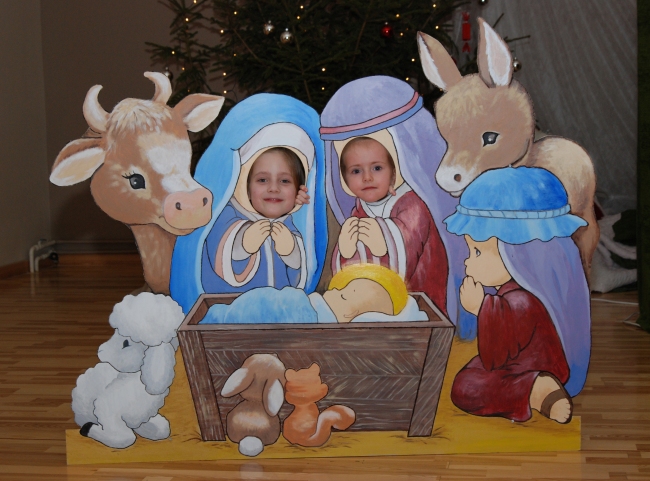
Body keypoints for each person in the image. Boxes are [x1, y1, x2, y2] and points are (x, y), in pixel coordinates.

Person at [444, 166, 591, 423]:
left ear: (515, 252)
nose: (468, 261)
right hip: (515, 365)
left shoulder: (522, 299)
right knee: (467, 380)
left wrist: (481, 308)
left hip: (534, 365)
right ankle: (533, 389)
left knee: (467, 389)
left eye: (477, 252)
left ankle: (536, 390)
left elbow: (497, 355)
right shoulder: (513, 294)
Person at [170, 94, 328, 314]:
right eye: (262, 180)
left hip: (278, 316)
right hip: (232, 316)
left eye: (285, 181)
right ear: (244, 182)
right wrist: (243, 244)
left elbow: (299, 274)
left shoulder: (289, 224)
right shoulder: (227, 214)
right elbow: (216, 253)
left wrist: (291, 250)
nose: (274, 188)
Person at [321, 78, 458, 318]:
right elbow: (353, 276)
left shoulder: (413, 204)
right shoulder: (360, 210)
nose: (367, 177)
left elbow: (407, 251)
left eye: (377, 168)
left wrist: (383, 238)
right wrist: (345, 249)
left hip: (420, 304)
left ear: (394, 170)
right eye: (356, 171)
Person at [200, 264, 426, 325]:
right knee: (261, 302)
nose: (334, 290)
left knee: (263, 308)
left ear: (347, 318)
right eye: (342, 288)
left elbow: (280, 308)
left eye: (343, 296)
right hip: (288, 301)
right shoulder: (313, 303)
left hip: (294, 309)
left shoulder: (312, 316)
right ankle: (223, 315)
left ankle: (222, 316)